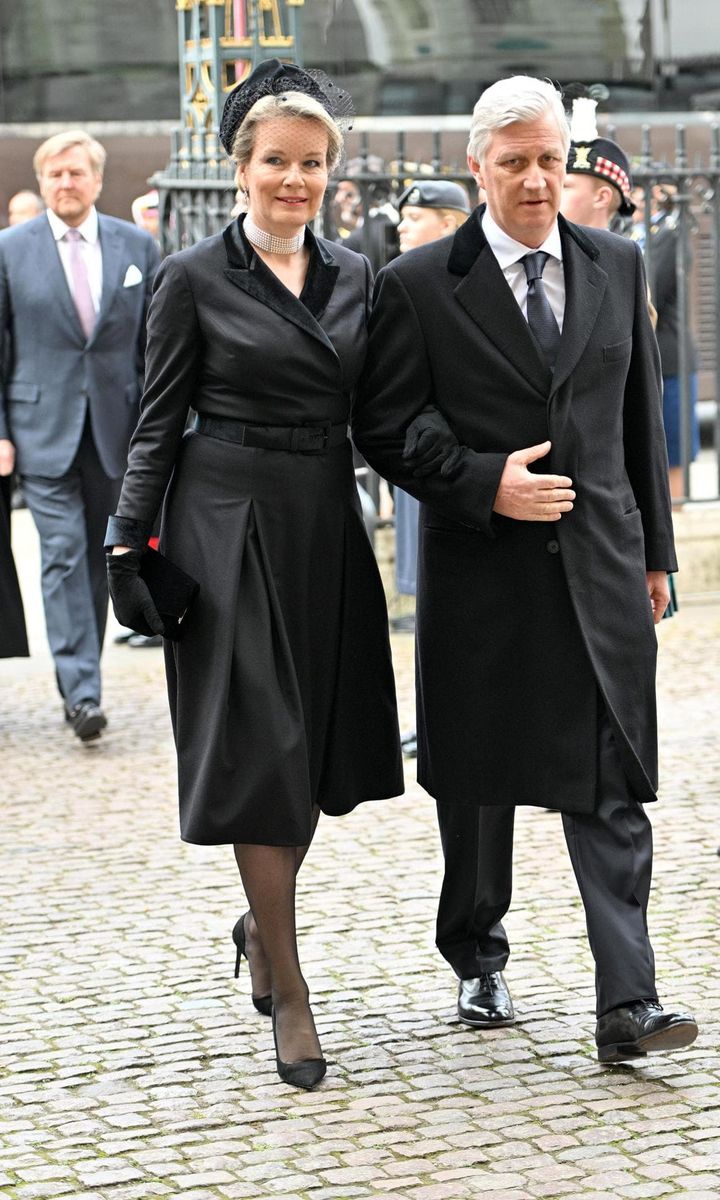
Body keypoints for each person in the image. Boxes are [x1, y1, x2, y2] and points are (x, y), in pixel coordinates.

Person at [353, 74, 698, 1063]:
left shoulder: (618, 263)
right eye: (514, 165)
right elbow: (385, 425)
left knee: (611, 784)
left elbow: (637, 415)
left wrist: (657, 556)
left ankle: (628, 1003)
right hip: (484, 578)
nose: (537, 180)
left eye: (550, 160)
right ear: (478, 170)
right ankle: (476, 950)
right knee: (479, 785)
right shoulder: (419, 284)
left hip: (600, 569)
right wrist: (478, 482)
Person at [105, 59, 403, 1091]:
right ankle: (292, 984)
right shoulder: (190, 276)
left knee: (312, 752)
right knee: (264, 749)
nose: (295, 180)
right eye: (277, 161)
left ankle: (255, 925)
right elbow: (155, 422)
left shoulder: (358, 275)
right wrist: (126, 542)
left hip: (323, 520)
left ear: (331, 172)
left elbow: (386, 421)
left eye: (313, 164)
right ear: (242, 167)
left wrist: (475, 482)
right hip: (225, 527)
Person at [0, 131, 160, 741]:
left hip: (116, 433)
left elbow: (154, 348)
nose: (65, 184)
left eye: (76, 174)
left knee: (101, 560)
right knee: (62, 554)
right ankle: (82, 690)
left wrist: (155, 428)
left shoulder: (136, 246)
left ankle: (83, 674)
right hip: (40, 431)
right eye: (54, 175)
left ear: (97, 180)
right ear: (42, 183)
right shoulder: (10, 250)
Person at [393, 179, 472, 756]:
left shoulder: (464, 281)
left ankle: (448, 717)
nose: (402, 226)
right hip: (417, 455)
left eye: (414, 217)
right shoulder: (403, 279)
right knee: (425, 596)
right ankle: (434, 716)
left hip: (462, 466)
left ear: (448, 222)